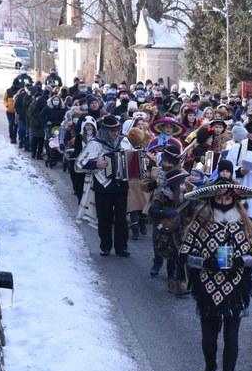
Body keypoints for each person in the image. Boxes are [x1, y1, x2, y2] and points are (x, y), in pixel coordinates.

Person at [180, 178, 252, 371]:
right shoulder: (201, 220)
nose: (224, 201)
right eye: (219, 198)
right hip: (207, 284)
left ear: (234, 199)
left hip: (236, 286)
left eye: (227, 198)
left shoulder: (245, 222)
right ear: (212, 199)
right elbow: (185, 252)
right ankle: (211, 365)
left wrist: (240, 262)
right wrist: (205, 263)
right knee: (208, 338)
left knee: (231, 336)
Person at [75, 116, 133, 257]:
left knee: (121, 218)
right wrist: (96, 164)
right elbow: (79, 164)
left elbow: (132, 157)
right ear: (105, 130)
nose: (115, 133)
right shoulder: (95, 144)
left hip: (121, 185)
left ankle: (121, 247)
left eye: (117, 130)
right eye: (112, 131)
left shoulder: (123, 141)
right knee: (104, 217)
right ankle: (105, 246)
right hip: (103, 185)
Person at [147, 168, 190, 295]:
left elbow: (190, 213)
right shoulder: (162, 195)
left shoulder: (186, 195)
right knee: (171, 257)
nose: (183, 185)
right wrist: (165, 212)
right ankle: (171, 282)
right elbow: (152, 211)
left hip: (181, 230)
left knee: (181, 256)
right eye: (181, 183)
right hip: (168, 232)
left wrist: (192, 207)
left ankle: (181, 283)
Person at [3, 78, 20, 144]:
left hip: (16, 111)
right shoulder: (8, 91)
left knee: (16, 125)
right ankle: (11, 137)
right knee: (11, 123)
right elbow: (4, 99)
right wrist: (7, 105)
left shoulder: (19, 91)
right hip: (9, 110)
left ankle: (14, 137)